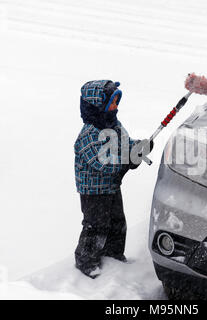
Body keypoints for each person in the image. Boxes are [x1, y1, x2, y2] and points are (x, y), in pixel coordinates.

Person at [73, 80, 153, 278]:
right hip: (93, 191)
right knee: (96, 226)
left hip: (111, 187)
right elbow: (104, 164)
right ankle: (86, 260)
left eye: (117, 102)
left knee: (117, 222)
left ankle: (113, 255)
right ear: (97, 106)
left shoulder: (114, 125)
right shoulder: (88, 135)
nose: (116, 107)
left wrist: (138, 147)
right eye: (112, 103)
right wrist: (128, 160)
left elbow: (124, 143)